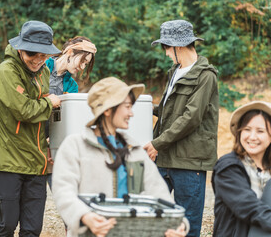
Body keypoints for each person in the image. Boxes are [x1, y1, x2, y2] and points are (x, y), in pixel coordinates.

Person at [52, 77, 189, 237]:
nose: (131, 113)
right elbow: (63, 192)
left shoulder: (135, 151)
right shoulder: (75, 146)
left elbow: (160, 195)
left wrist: (179, 224)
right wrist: (84, 216)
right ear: (108, 109)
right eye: (127, 107)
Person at [143, 19, 219, 237]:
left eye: (166, 48)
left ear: (177, 47)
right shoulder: (175, 71)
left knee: (186, 225)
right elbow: (171, 111)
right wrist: (146, 107)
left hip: (189, 161)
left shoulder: (206, 75)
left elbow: (191, 117)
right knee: (156, 222)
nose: (165, 53)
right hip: (164, 158)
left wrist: (157, 143)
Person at [0, 20, 61, 237]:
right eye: (32, 54)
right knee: (7, 226)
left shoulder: (43, 72)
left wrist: (51, 145)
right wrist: (50, 103)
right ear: (20, 49)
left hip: (36, 162)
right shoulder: (6, 72)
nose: (38, 60)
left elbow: (43, 115)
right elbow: (25, 110)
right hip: (8, 161)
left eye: (43, 55)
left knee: (32, 229)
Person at [212, 101, 271, 237]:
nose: (252, 137)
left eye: (260, 131)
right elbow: (249, 207)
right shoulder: (228, 167)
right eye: (247, 129)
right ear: (239, 132)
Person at [45, 36, 97, 188]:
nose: (82, 68)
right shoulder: (41, 68)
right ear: (70, 52)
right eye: (82, 61)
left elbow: (67, 120)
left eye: (86, 64)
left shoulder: (72, 86)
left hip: (51, 143)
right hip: (29, 138)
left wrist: (54, 141)